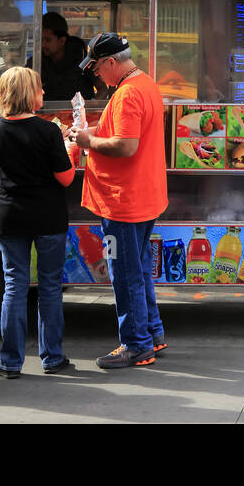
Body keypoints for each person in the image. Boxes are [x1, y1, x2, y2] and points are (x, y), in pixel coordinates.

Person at [67, 33, 168, 369]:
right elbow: (128, 134)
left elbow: (126, 146)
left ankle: (136, 345)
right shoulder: (145, 84)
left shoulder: (127, 94)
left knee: (125, 274)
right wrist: (94, 131)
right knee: (137, 269)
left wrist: (86, 140)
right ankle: (151, 334)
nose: (96, 75)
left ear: (111, 62)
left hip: (123, 201)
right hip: (142, 197)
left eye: (97, 68)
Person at [0, 66, 78, 378]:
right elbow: (65, 178)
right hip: (48, 216)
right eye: (39, 89)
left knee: (14, 285)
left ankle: (10, 362)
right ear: (28, 93)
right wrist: (70, 147)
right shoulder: (48, 131)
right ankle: (52, 358)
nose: (43, 94)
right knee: (50, 286)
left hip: (10, 215)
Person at [40, 11, 96, 102]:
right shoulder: (37, 61)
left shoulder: (82, 58)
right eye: (41, 40)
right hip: (46, 115)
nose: (43, 44)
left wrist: (90, 111)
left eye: (48, 40)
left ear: (62, 41)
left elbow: (102, 88)